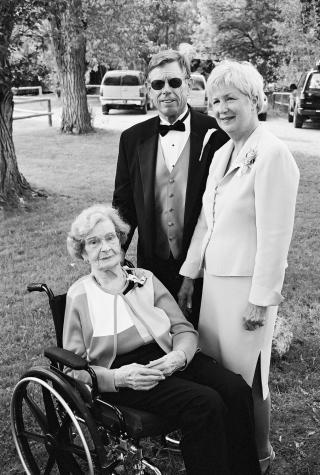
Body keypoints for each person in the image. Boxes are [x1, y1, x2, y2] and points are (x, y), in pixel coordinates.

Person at [63, 204, 260, 475]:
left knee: (235, 388)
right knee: (204, 403)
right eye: (94, 242)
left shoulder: (145, 279)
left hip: (169, 354)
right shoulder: (80, 296)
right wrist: (119, 377)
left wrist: (179, 356)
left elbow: (183, 329)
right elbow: (73, 369)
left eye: (110, 238)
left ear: (120, 241)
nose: (105, 247)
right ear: (83, 253)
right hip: (128, 373)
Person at [178, 60, 300, 474]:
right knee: (223, 377)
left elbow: (275, 236)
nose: (221, 108)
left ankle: (260, 454)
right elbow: (207, 221)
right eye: (214, 101)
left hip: (247, 290)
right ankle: (231, 447)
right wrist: (191, 274)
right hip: (216, 286)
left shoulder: (272, 154)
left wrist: (260, 301)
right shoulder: (222, 151)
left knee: (251, 378)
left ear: (255, 100)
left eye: (231, 98)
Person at [112, 50, 228, 327]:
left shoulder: (217, 133)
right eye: (157, 84)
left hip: (203, 263)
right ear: (148, 90)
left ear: (187, 82)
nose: (166, 91)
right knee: (158, 332)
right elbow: (124, 205)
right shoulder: (131, 139)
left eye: (174, 82)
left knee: (205, 334)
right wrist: (114, 254)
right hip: (152, 262)